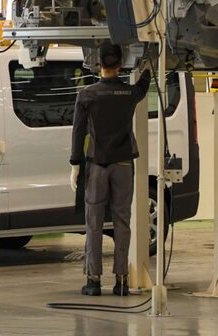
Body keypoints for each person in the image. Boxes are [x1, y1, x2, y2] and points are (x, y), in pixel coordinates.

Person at [69, 42, 151, 297]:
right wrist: (147, 65)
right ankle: (122, 280)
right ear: (119, 64)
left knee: (93, 222)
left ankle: (93, 281)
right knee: (122, 222)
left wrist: (75, 164)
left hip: (97, 164)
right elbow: (144, 85)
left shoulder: (87, 95)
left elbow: (78, 131)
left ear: (98, 64)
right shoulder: (129, 94)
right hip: (124, 164)